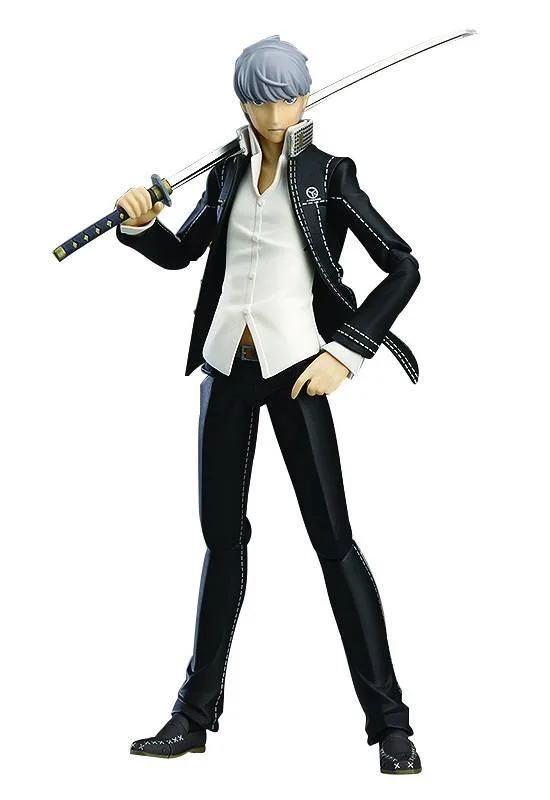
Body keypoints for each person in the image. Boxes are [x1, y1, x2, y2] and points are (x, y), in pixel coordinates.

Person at [115, 34, 422, 775]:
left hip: (296, 369)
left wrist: (346, 352)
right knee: (221, 540)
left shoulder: (329, 176)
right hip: (226, 366)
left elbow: (403, 265)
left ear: (305, 98)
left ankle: (391, 725)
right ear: (244, 101)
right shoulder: (224, 172)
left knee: (334, 541)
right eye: (261, 100)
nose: (276, 113)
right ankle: (193, 716)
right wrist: (140, 225)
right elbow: (184, 253)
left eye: (287, 98)